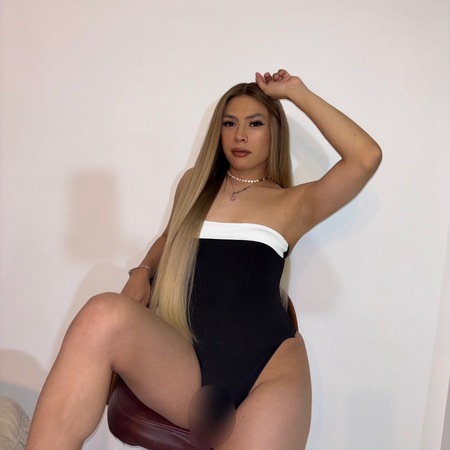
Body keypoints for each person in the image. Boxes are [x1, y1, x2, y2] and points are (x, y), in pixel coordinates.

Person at [27, 69, 382, 449]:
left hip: (269, 370)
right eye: (230, 123)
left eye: (255, 123)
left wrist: (295, 92)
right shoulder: (193, 184)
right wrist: (142, 271)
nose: (240, 135)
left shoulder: (295, 203)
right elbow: (170, 237)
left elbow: (366, 157)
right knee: (101, 313)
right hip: (185, 361)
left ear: (275, 132)